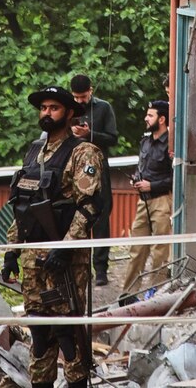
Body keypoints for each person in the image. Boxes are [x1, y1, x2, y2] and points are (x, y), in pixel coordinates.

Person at [0, 86, 103, 388]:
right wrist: (11, 251)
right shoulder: (34, 152)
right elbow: (24, 208)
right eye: (43, 108)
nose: (46, 113)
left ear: (69, 113)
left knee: (68, 334)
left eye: (54, 108)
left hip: (66, 262)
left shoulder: (83, 152)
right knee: (40, 334)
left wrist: (65, 248)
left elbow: (90, 207)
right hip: (33, 259)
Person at [120, 100, 174, 299]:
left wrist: (152, 185)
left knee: (160, 252)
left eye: (150, 115)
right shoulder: (145, 141)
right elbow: (141, 166)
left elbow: (175, 176)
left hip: (161, 200)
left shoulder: (170, 143)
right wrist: (137, 178)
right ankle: (128, 293)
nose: (146, 118)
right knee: (137, 249)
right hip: (143, 201)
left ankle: (155, 293)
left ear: (161, 119)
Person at [69, 74, 118, 286]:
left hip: (98, 168)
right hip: (73, 169)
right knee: (73, 217)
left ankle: (100, 270)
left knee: (100, 217)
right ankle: (76, 266)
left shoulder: (104, 108)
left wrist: (90, 134)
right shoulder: (67, 109)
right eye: (76, 97)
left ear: (91, 90)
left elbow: (113, 138)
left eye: (83, 96)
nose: (80, 101)